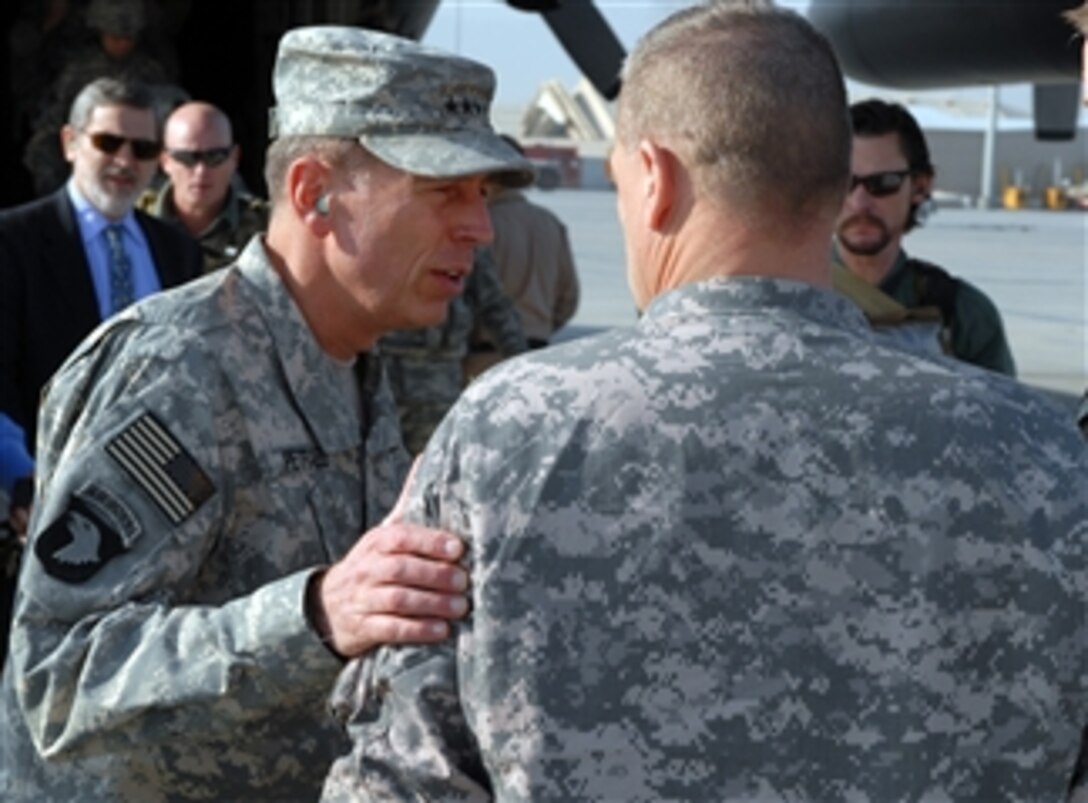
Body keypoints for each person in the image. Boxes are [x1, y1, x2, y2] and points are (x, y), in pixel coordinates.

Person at [321, 4, 1087, 801]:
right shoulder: (1046, 453)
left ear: (654, 180)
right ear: (832, 188)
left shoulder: (502, 433)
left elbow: (404, 782)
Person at [0, 24, 533, 802]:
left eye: (482, 196)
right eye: (442, 191)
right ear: (315, 193)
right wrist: (315, 613)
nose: (479, 228)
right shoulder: (179, 370)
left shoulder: (353, 359)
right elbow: (60, 676)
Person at [0, 76, 202, 458]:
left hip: (155, 478)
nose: (125, 161)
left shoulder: (178, 251)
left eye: (142, 148)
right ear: (69, 143)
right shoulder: (14, 241)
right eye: (108, 143)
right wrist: (19, 476)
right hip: (45, 478)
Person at [834, 98, 1016, 376]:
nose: (859, 203)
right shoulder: (787, 298)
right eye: (844, 182)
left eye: (883, 184)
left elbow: (1007, 415)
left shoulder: (962, 315)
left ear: (920, 187)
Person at [23, 0, 178, 196]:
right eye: (115, 37)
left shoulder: (151, 72)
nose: (122, 44)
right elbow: (52, 124)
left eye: (128, 38)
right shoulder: (77, 71)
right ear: (100, 32)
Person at [382, 246, 527, 455]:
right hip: (384, 374)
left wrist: (522, 366)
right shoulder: (387, 240)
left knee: (434, 460)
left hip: (438, 377)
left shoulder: (463, 248)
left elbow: (495, 306)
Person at [465, 134, 579, 382]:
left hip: (483, 359)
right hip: (537, 357)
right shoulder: (550, 224)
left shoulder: (477, 227)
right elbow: (568, 299)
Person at [141, 101, 270, 273]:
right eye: (187, 158)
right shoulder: (136, 223)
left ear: (234, 159)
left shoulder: (267, 228)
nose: (201, 171)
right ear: (165, 161)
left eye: (215, 156)